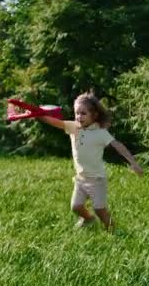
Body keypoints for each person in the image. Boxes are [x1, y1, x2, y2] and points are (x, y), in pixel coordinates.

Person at [38, 92, 143, 231]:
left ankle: (112, 230)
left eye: (83, 113)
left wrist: (133, 162)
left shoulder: (101, 133)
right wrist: (37, 114)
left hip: (97, 180)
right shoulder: (73, 127)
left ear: (94, 115)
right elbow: (54, 122)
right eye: (77, 113)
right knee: (75, 207)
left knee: (99, 209)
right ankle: (88, 219)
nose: (79, 117)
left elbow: (118, 145)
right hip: (81, 179)